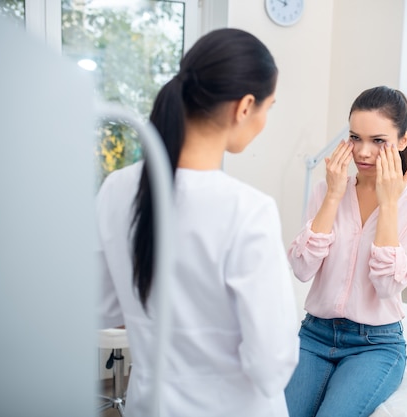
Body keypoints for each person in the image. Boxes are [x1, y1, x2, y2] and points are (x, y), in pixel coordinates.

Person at [96, 28, 300, 417]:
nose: (264, 120)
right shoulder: (247, 210)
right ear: (244, 107)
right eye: (268, 108)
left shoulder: (115, 190)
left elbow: (103, 305)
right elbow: (271, 367)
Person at [284, 86, 407, 417]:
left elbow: (387, 286)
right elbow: (301, 268)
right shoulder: (327, 189)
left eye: (378, 140)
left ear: (402, 140)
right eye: (355, 138)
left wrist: (388, 205)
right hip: (315, 334)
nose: (363, 152)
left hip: (376, 346)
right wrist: (333, 196)